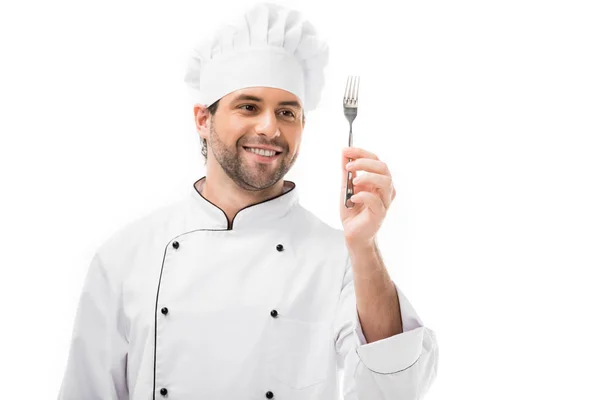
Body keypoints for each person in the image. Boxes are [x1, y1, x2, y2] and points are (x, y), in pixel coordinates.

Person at [57, 2, 439, 399]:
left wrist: (364, 245)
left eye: (287, 112)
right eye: (249, 106)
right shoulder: (125, 257)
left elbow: (397, 385)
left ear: (303, 126)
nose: (270, 128)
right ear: (203, 120)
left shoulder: (339, 258)